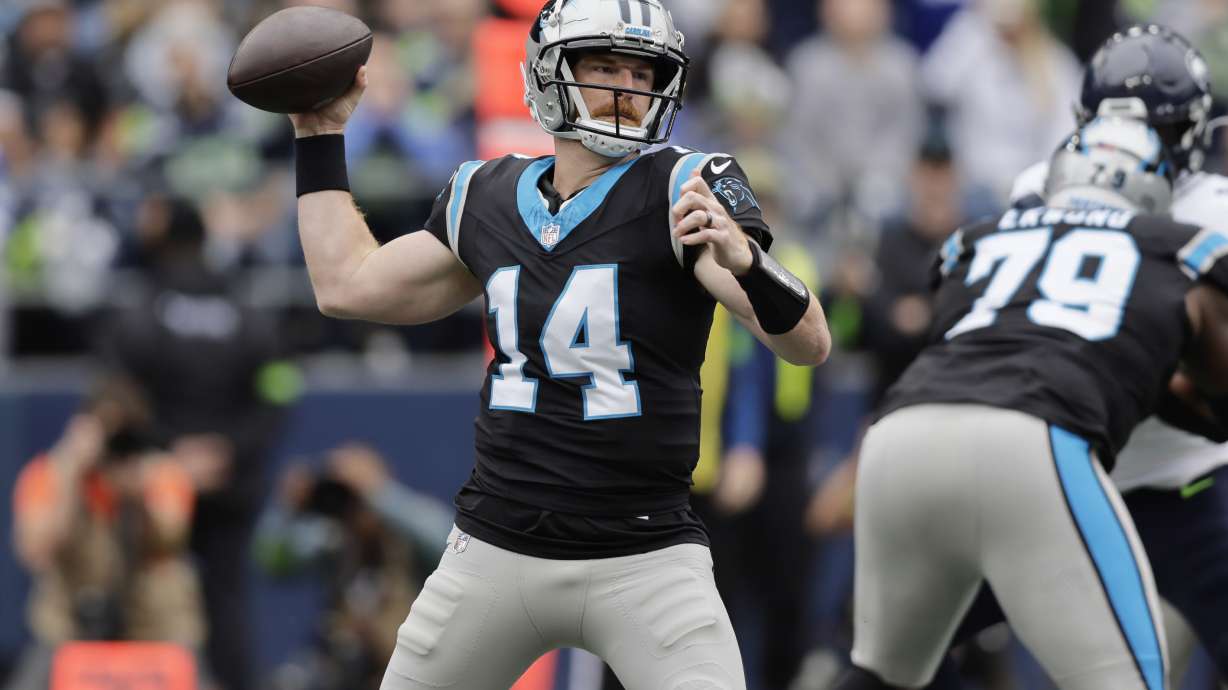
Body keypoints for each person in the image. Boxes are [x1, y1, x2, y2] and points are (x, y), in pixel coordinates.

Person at [284, 0, 830, 687]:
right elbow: (347, 285)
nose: (628, 89)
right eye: (605, 66)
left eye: (642, 71)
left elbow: (808, 344)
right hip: (495, 549)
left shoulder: (685, 186)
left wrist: (749, 262)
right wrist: (318, 137)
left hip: (647, 554)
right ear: (549, 71)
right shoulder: (484, 193)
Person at [833, 115, 1228, 690]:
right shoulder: (1180, 249)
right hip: (1031, 444)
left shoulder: (975, 241)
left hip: (900, 436)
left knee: (884, 677)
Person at [925, 24, 1228, 687]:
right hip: (1063, 476)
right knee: (915, 638)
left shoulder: (1213, 210)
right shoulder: (1038, 188)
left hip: (1186, 484)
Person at [7, 376, 206, 690]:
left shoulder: (161, 473)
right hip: (68, 628)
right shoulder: (51, 473)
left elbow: (170, 541)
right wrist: (72, 471)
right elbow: (35, 551)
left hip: (155, 628)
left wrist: (139, 496)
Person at [254, 443, 453, 690]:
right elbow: (272, 562)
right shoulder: (332, 539)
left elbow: (445, 540)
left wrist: (377, 492)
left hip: (402, 668)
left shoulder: (409, 538)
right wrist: (285, 506)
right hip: (338, 665)